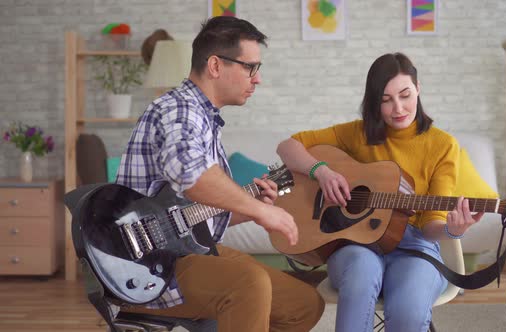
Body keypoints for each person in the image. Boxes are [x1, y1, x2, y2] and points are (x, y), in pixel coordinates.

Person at [116, 16, 324, 332]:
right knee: (249, 283)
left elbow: (192, 217)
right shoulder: (179, 110)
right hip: (151, 264)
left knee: (303, 305)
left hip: (189, 249)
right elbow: (192, 177)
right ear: (215, 66)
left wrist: (252, 211)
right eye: (250, 67)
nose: (257, 79)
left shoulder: (206, 119)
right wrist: (261, 212)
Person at [276, 52, 484, 332]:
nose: (398, 108)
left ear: (419, 89)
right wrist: (321, 172)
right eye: (386, 100)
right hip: (355, 244)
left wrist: (453, 230)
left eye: (405, 95)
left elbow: (433, 224)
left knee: (408, 314)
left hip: (415, 247)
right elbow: (287, 147)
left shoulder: (443, 145)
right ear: (374, 101)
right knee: (362, 273)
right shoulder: (357, 134)